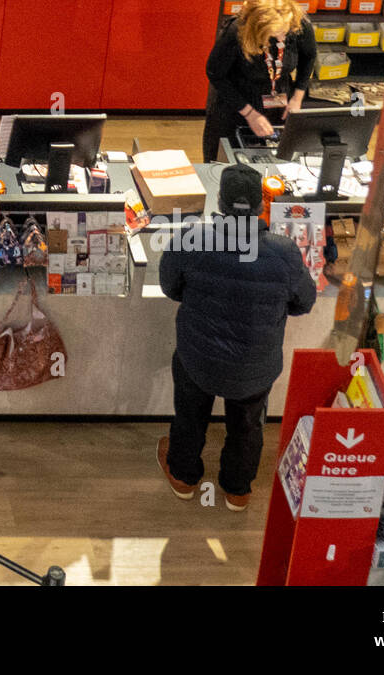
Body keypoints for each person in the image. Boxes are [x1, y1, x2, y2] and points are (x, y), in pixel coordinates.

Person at [157, 163, 317, 510]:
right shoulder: (285, 251)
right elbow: (304, 302)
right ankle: (237, 490)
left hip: (197, 357)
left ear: (219, 201)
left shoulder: (190, 239)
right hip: (255, 366)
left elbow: (171, 288)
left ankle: (184, 477)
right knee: (248, 426)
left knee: (189, 415)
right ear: (262, 204)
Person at [202, 0, 316, 162]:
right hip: (236, 104)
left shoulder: (298, 24)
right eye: (275, 33)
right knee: (227, 164)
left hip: (279, 104)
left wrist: (297, 98)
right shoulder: (237, 32)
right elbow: (215, 73)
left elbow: (309, 57)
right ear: (258, 28)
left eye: (284, 31)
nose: (281, 38)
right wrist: (250, 114)